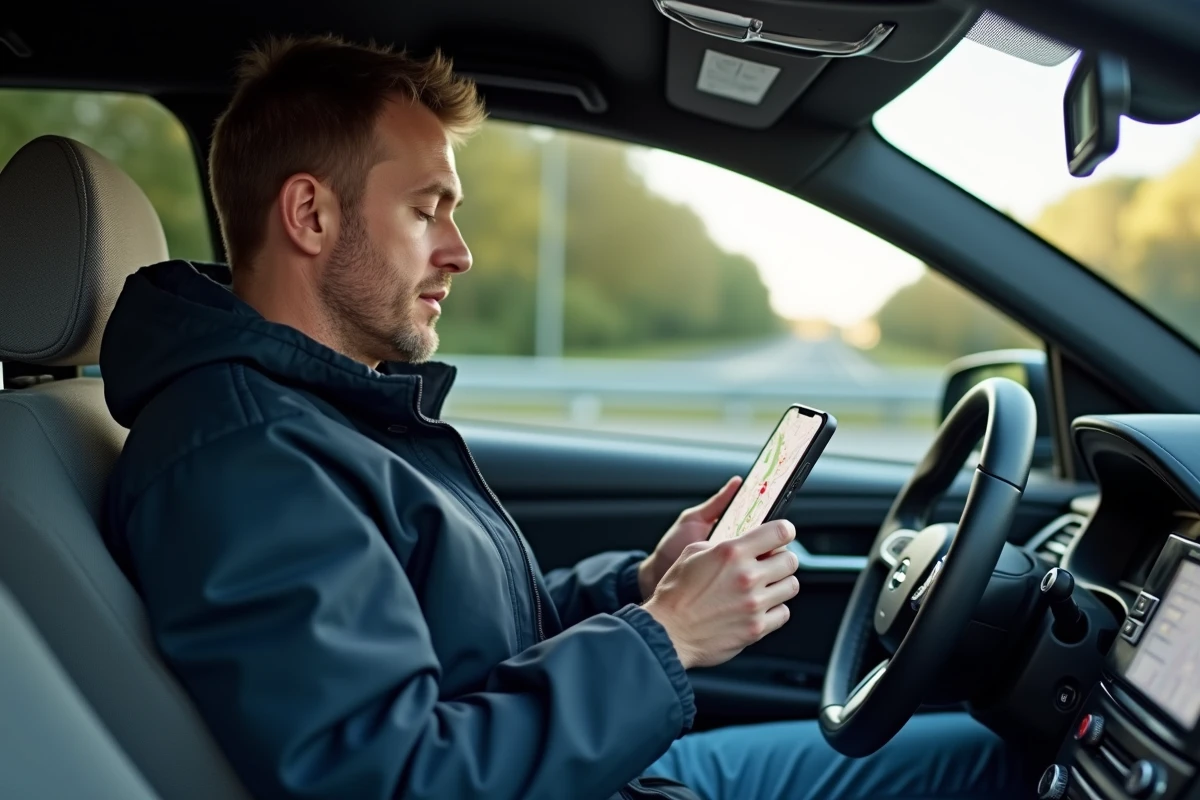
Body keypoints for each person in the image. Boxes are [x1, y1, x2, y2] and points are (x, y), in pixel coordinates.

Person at [101, 35, 1028, 800]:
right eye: (428, 211)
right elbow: (388, 780)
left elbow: (478, 649)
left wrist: (646, 587)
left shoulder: (328, 411)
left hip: (599, 774)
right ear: (309, 213)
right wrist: (667, 639)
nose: (459, 252)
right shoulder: (245, 459)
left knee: (985, 756)